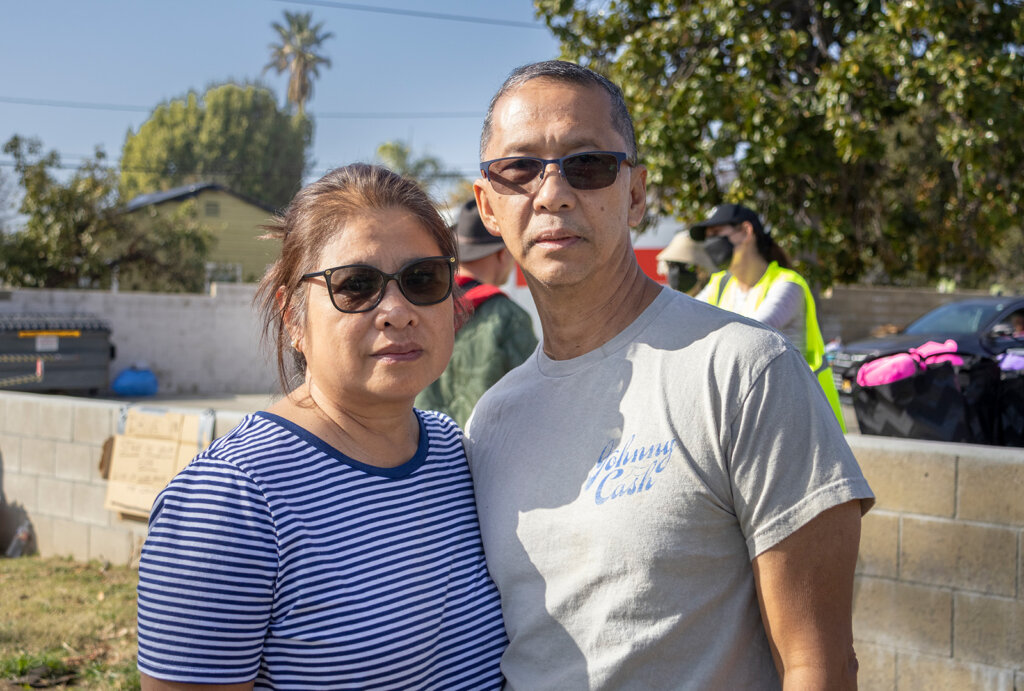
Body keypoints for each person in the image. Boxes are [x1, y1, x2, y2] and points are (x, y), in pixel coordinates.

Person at [468, 60, 874, 689]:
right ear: (488, 206)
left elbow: (818, 665)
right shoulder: (490, 421)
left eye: (588, 163)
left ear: (634, 193)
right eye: (519, 168)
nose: (552, 192)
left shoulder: (744, 371)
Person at [136, 164, 507, 690]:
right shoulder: (231, 500)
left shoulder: (453, 451)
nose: (397, 311)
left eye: (423, 279)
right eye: (356, 286)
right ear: (292, 318)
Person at [690, 203, 847, 430]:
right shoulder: (721, 285)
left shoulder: (788, 286)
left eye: (716, 234)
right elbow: (683, 323)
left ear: (745, 231)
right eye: (707, 237)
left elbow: (748, 335)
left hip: (804, 420)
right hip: (756, 417)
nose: (710, 244)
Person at [415, 198, 538, 426]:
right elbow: (537, 398)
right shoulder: (508, 316)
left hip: (434, 452)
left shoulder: (420, 307)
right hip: (489, 453)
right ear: (503, 254)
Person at [655, 229, 715, 296]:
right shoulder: (669, 300)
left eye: (687, 265)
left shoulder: (712, 292)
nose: (677, 272)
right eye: (672, 264)